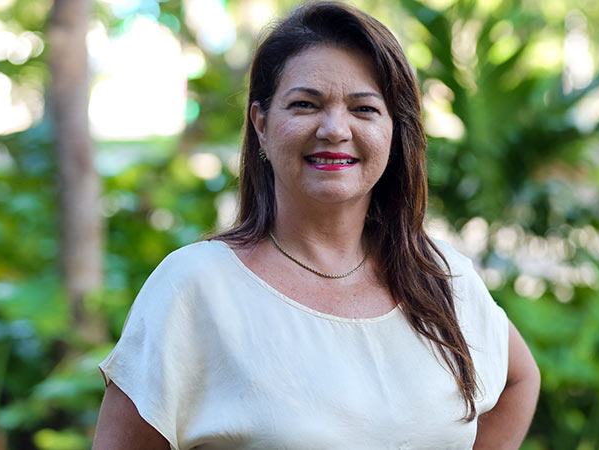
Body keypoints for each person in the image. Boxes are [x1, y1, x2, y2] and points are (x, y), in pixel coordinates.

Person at [92, 2, 540, 449]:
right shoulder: (194, 289)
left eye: (364, 109)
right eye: (305, 104)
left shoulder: (442, 276)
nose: (334, 129)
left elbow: (519, 380)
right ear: (261, 124)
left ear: (394, 131)